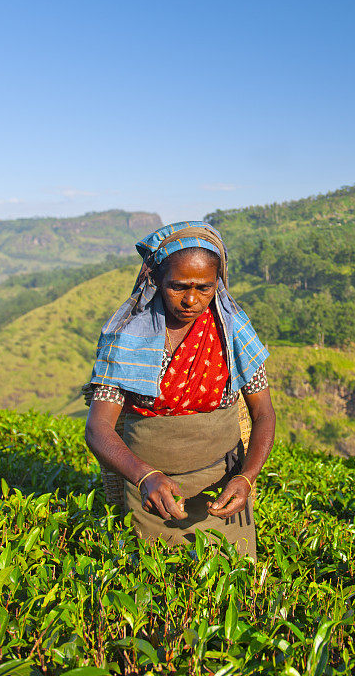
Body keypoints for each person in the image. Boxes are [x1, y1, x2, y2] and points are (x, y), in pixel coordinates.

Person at [84, 221, 275, 559]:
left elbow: (263, 413)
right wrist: (145, 477)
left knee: (232, 589)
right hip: (150, 494)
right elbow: (98, 429)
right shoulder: (127, 339)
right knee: (152, 589)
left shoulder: (233, 333)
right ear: (155, 279)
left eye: (203, 287)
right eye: (178, 286)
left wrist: (246, 477)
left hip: (224, 490)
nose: (191, 299)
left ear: (218, 283)